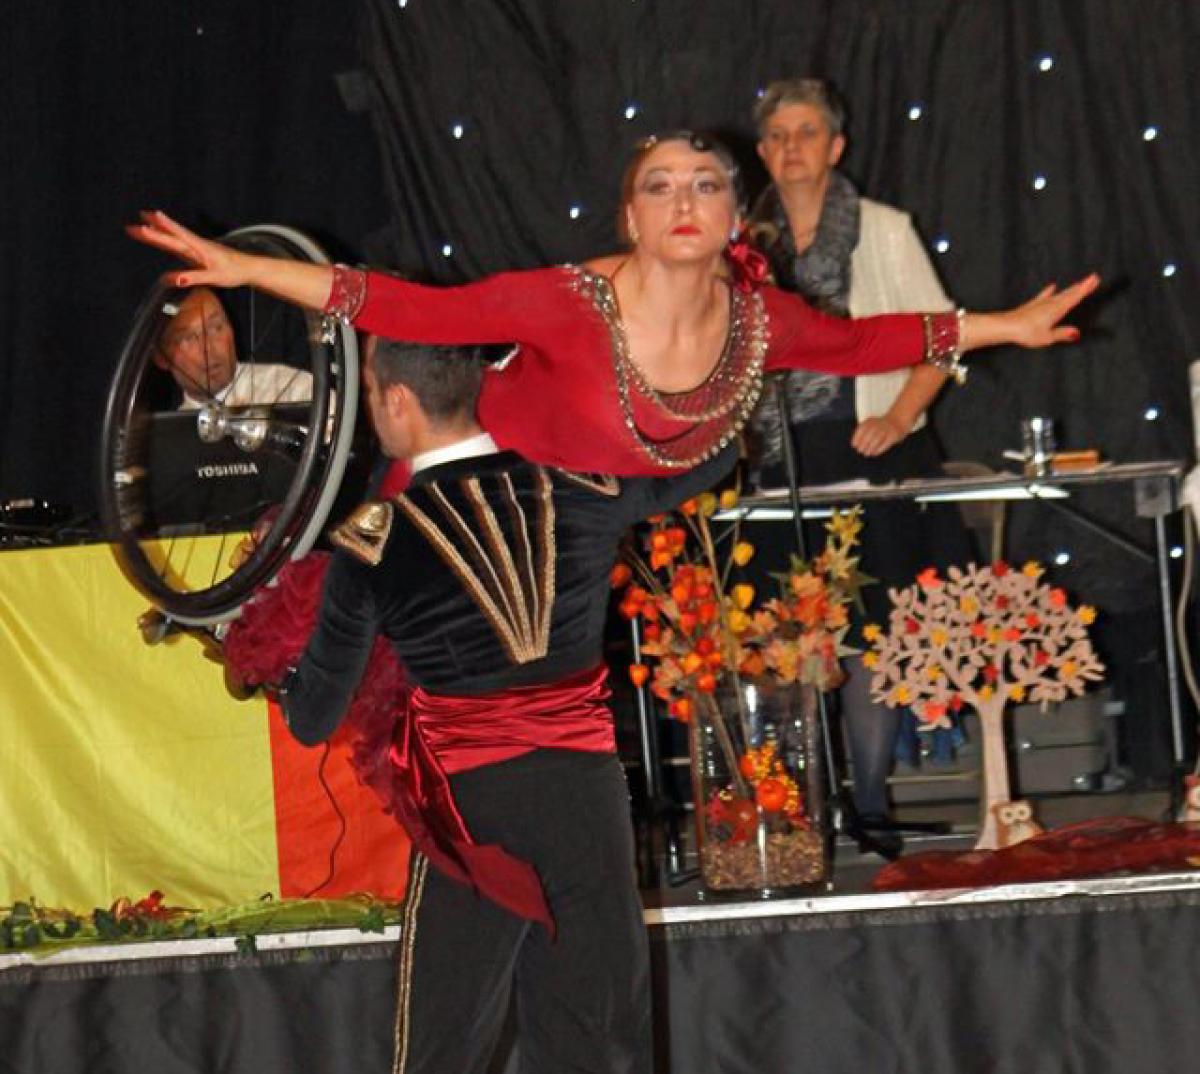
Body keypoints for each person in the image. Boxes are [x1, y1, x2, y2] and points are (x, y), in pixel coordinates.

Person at [230, 336, 736, 1072]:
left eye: (372, 395)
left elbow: (312, 717)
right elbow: (713, 452)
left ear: (397, 402)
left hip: (473, 816)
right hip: (585, 803)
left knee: (442, 1050)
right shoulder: (578, 481)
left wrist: (257, 657)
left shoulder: (369, 540)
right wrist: (722, 340)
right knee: (597, 1045)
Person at [126, 130, 1097, 478]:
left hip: (654, 504)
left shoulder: (762, 321)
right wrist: (247, 270)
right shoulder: (565, 303)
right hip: (523, 497)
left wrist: (1004, 325)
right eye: (661, 187)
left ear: (732, 217)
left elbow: (864, 343)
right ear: (632, 219)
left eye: (705, 186)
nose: (685, 202)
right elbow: (407, 308)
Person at [745, 78, 974, 844]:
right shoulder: (740, 242)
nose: (792, 148)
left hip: (871, 450)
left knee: (868, 639)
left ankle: (871, 806)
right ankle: (793, 814)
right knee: (783, 645)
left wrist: (900, 416)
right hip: (775, 466)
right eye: (778, 136)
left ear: (836, 147)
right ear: (762, 152)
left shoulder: (882, 228)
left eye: (807, 133)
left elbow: (944, 340)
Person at [154, 286, 313, 408]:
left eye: (216, 328)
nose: (208, 348)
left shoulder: (292, 389)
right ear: (161, 358)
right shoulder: (166, 439)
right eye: (188, 338)